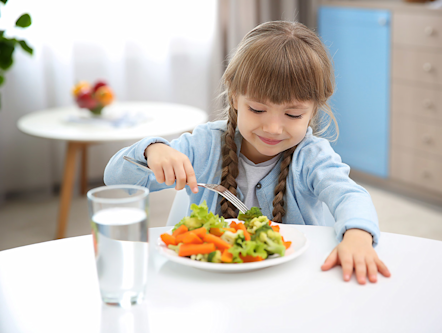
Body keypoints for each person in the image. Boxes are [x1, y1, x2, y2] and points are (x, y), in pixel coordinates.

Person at [104, 21, 390, 284]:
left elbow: (349, 195)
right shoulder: (205, 146)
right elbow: (116, 179)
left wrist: (358, 235)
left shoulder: (312, 156)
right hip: (208, 283)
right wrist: (152, 150)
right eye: (257, 109)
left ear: (314, 110)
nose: (274, 128)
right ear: (234, 98)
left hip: (293, 282)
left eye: (292, 114)